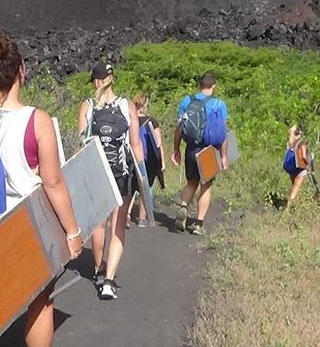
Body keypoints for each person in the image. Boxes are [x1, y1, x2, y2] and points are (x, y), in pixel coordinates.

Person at [0, 24, 83, 347]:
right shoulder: (36, 120)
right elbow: (53, 183)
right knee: (40, 303)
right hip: (26, 225)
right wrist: (72, 233)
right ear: (20, 72)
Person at [77, 61, 144, 300]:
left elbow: (81, 146)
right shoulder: (127, 105)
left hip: (97, 172)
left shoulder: (87, 105)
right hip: (122, 172)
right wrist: (143, 177)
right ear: (112, 78)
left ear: (95, 81)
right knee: (119, 223)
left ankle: (98, 268)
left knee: (98, 223)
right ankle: (109, 281)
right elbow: (135, 144)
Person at [172, 73, 230, 236]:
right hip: (209, 151)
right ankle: (198, 224)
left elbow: (178, 129)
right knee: (206, 186)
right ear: (214, 86)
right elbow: (222, 133)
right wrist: (224, 156)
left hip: (191, 148)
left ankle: (184, 205)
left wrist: (176, 149)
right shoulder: (219, 104)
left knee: (191, 182)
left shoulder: (187, 101)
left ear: (199, 85)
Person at [129, 93, 166, 227]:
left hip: (131, 157)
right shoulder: (151, 121)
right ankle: (142, 219)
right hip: (148, 159)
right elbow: (158, 143)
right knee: (146, 187)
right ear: (145, 105)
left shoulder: (129, 120)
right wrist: (162, 162)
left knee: (130, 188)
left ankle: (126, 215)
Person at [282, 125, 314, 209]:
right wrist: (308, 165)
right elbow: (303, 156)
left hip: (292, 168)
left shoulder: (291, 142)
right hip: (300, 168)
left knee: (294, 186)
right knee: (296, 188)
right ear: (300, 133)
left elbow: (291, 131)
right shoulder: (301, 143)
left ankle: (296, 206)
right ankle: (287, 209)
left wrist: (293, 129)